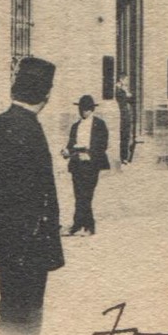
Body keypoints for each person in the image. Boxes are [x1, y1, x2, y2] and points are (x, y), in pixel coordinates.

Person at [0, 57, 64, 335]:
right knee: (26, 317)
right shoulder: (30, 130)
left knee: (10, 309)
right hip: (29, 242)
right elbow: (35, 193)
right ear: (46, 95)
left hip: (5, 238)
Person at [62, 95, 110, 236]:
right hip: (77, 164)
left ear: (91, 109)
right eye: (81, 109)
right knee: (78, 194)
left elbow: (103, 145)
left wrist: (90, 153)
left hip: (91, 164)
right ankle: (77, 225)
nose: (83, 112)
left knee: (86, 194)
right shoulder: (75, 126)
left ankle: (89, 226)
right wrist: (67, 151)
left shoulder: (99, 125)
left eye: (86, 109)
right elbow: (71, 144)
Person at [114, 73, 136, 166]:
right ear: (121, 80)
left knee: (127, 136)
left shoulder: (123, 90)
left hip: (127, 115)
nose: (127, 82)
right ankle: (123, 157)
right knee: (124, 137)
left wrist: (127, 93)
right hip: (122, 116)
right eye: (126, 80)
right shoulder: (118, 90)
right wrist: (126, 93)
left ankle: (125, 157)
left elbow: (132, 99)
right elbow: (125, 99)